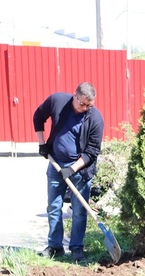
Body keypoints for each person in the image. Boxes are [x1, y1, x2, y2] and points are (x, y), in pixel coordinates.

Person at [33, 83, 104, 262]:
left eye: (89, 105)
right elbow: (38, 116)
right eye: (82, 104)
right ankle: (55, 247)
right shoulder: (57, 101)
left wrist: (71, 169)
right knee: (54, 207)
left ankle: (77, 248)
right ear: (75, 96)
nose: (85, 108)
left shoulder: (95, 118)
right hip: (56, 163)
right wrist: (42, 144)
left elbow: (92, 152)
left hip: (81, 170)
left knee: (79, 211)